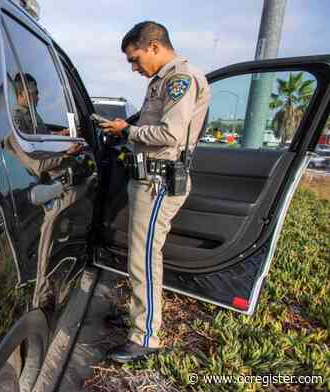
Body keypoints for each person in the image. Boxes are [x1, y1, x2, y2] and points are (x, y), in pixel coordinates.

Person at [97, 21, 211, 363]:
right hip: (148, 179)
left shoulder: (180, 79)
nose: (134, 68)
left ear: (154, 47)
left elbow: (169, 135)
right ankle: (138, 315)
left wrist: (127, 130)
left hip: (159, 182)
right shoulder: (161, 80)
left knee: (143, 258)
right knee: (139, 255)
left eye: (135, 59)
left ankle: (145, 334)